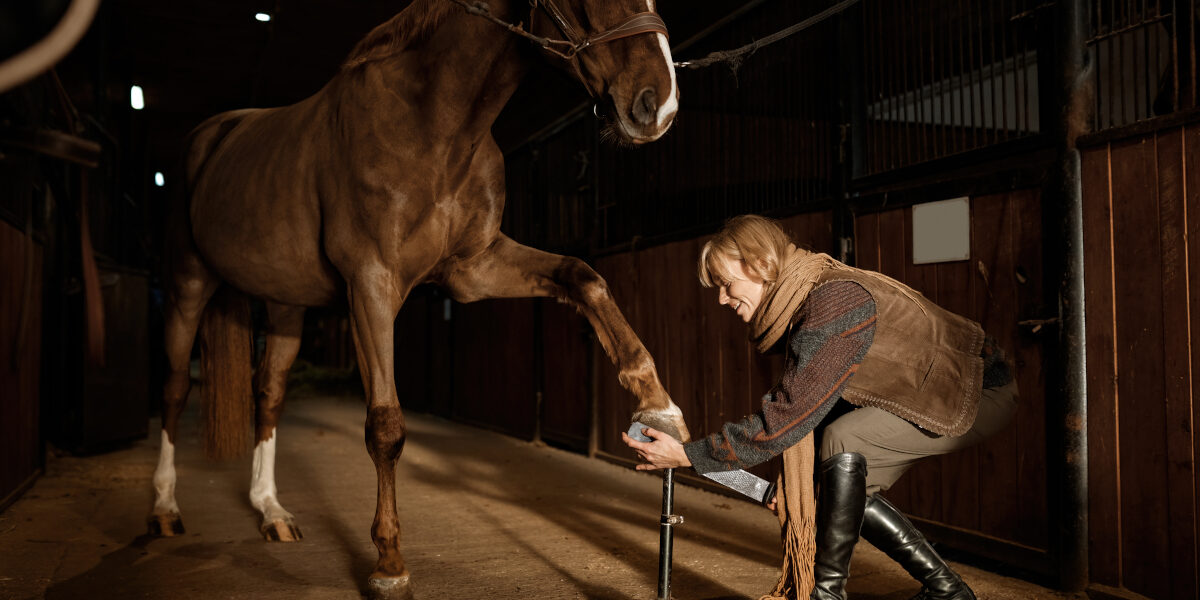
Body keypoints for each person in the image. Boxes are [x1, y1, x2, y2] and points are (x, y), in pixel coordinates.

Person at [622, 214, 1017, 600]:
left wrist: (691, 455)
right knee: (840, 484)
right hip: (932, 394)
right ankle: (948, 589)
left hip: (978, 394)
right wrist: (802, 484)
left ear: (761, 264)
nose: (721, 298)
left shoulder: (834, 299)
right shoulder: (807, 297)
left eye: (726, 284)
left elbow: (789, 415)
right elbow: (814, 403)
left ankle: (826, 593)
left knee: (845, 439)